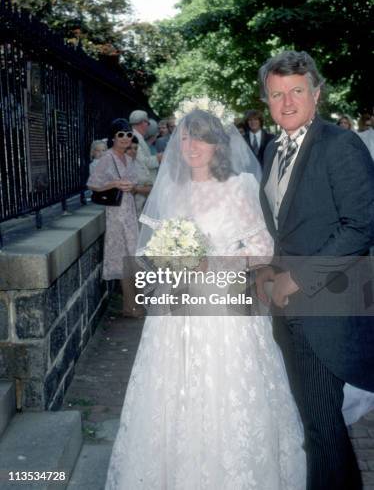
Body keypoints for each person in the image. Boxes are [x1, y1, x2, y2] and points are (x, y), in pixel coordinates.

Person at [105, 106, 306, 489]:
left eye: (200, 137)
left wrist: (212, 263)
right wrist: (170, 259)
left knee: (224, 401)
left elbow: (264, 249)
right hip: (174, 314)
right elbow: (151, 251)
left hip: (225, 312)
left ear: (217, 143)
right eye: (184, 136)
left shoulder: (241, 187)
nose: (190, 145)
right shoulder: (171, 190)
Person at [256, 50, 374, 490]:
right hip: (289, 313)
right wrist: (269, 272)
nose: (287, 103)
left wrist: (297, 278)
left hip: (328, 312)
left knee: (322, 432)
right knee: (319, 429)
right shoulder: (271, 149)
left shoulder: (340, 145)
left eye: (297, 92)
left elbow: (359, 227)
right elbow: (283, 229)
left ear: (317, 94)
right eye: (276, 95)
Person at [87, 118, 143, 318]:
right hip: (115, 214)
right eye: (121, 134)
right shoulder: (107, 158)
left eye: (129, 134)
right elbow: (93, 184)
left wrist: (131, 187)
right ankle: (130, 306)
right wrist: (114, 184)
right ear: (113, 137)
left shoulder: (128, 159)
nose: (125, 138)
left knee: (132, 259)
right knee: (123, 260)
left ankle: (131, 304)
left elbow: (135, 184)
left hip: (129, 212)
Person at [129, 110, 162, 182]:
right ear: (143, 123)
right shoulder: (135, 138)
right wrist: (158, 158)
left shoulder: (137, 137)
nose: (148, 125)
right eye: (148, 123)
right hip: (141, 183)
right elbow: (142, 162)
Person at [126, 136, 153, 217]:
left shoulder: (139, 163)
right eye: (129, 148)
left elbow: (151, 188)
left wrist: (137, 189)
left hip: (142, 210)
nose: (133, 151)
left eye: (135, 148)